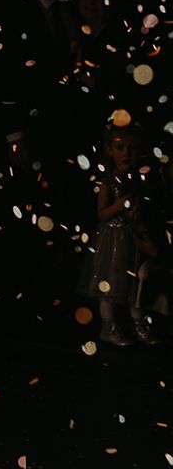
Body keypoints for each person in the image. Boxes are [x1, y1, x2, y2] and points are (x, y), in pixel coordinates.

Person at [78, 122, 161, 346]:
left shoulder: (139, 179)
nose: (126, 153)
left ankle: (139, 325)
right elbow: (102, 213)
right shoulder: (107, 180)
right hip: (112, 240)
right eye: (120, 148)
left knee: (135, 287)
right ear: (109, 150)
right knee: (109, 285)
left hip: (132, 238)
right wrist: (119, 205)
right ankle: (109, 327)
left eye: (131, 149)